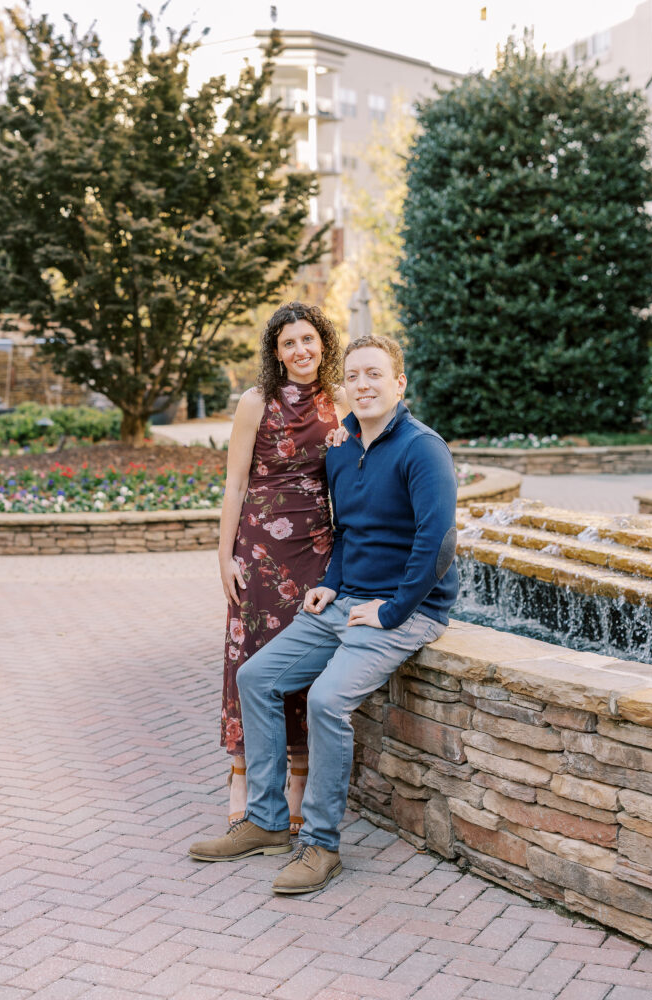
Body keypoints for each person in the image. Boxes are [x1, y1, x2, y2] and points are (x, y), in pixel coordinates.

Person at [190, 334, 458, 894]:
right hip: (346, 601)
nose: (363, 385)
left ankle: (320, 845)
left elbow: (437, 544)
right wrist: (331, 585)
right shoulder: (341, 448)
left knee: (326, 700)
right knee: (255, 676)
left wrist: (390, 612)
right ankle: (265, 823)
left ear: (399, 383)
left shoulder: (423, 448)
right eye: (355, 376)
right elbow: (346, 532)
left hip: (404, 611)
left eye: (375, 375)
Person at [218, 301, 346, 833]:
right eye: (289, 342)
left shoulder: (340, 402)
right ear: (276, 351)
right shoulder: (256, 402)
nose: (301, 350)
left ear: (324, 345)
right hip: (259, 548)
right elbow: (236, 484)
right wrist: (223, 554)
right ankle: (241, 773)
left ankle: (298, 771)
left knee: (302, 656)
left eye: (309, 340)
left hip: (316, 548)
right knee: (251, 652)